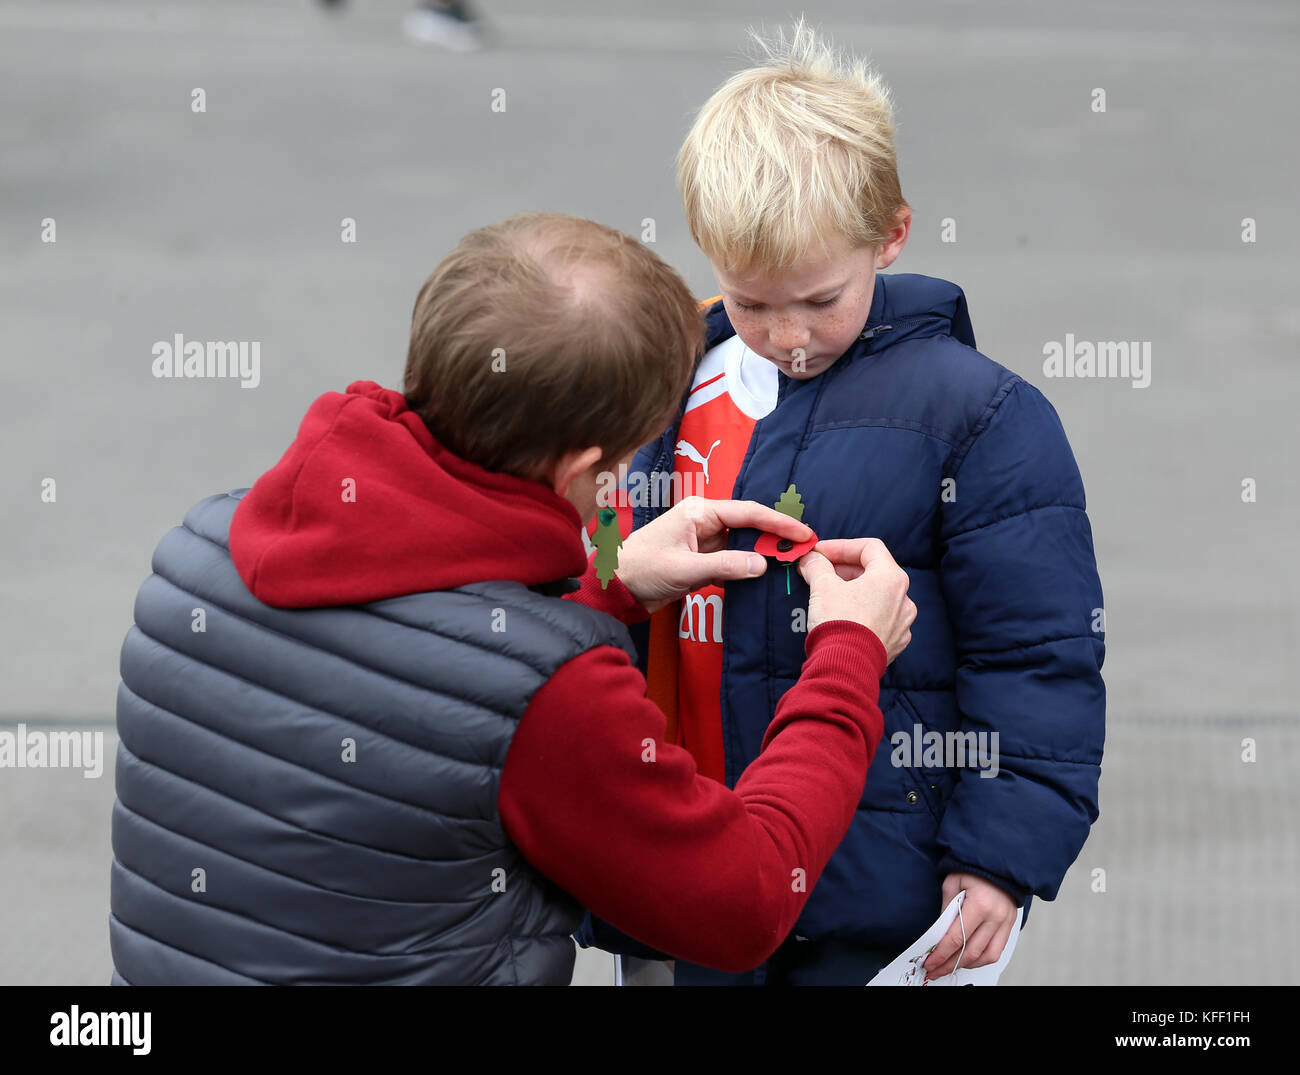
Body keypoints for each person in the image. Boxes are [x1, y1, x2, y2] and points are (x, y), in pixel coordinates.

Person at [107, 211, 917, 985]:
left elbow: (413, 706)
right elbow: (744, 903)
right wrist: (848, 655)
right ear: (583, 469)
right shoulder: (551, 694)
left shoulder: (198, 553)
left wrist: (610, 584)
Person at [580, 20, 1107, 985]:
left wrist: (999, 855)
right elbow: (596, 569)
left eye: (820, 299)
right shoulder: (656, 390)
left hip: (872, 890)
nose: (786, 334)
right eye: (752, 302)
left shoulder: (978, 416)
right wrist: (614, 567)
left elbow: (1038, 655)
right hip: (683, 865)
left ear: (892, 236)